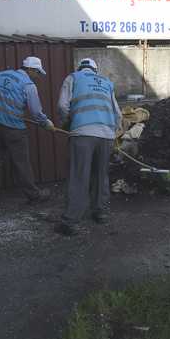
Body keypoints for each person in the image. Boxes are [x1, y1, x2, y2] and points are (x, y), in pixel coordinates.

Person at [56, 58, 122, 236]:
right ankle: (100, 213)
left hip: (83, 133)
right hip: (106, 134)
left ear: (81, 68)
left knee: (79, 176)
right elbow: (117, 112)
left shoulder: (73, 78)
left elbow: (63, 105)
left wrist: (67, 124)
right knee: (101, 175)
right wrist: (114, 133)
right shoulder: (107, 83)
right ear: (95, 70)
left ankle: (70, 220)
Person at [0, 56, 54, 213]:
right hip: (14, 128)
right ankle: (34, 195)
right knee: (21, 163)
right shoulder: (28, 85)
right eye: (37, 73)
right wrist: (46, 123)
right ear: (31, 70)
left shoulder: (0, 75)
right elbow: (35, 112)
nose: (38, 76)